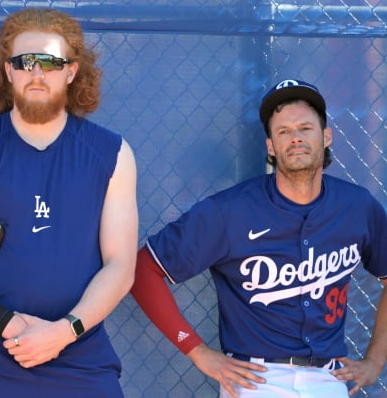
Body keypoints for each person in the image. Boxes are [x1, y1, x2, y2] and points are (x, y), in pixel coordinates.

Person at [0, 8, 138, 397]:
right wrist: (12, 327)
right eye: (24, 62)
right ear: (8, 72)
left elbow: (120, 266)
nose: (37, 73)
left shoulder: (112, 153)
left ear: (71, 70)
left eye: (51, 62)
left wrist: (63, 331)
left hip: (81, 356)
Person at [130, 79, 387, 397]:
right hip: (255, 380)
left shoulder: (357, 206)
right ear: (270, 147)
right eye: (283, 131)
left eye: (305, 128)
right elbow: (145, 268)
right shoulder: (230, 211)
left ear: (327, 137)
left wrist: (375, 361)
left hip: (329, 379)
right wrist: (198, 352)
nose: (295, 138)